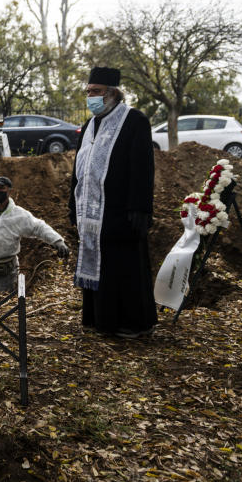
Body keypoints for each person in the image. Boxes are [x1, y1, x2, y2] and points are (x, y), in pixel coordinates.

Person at [68, 66, 157, 339]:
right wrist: (73, 207)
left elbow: (143, 169)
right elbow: (78, 170)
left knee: (123, 268)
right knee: (99, 267)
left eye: (95, 92)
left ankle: (132, 323)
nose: (90, 97)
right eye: (88, 92)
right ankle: (100, 320)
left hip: (120, 212)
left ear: (112, 93)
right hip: (92, 212)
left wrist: (139, 208)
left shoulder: (134, 121)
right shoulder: (89, 125)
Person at [0, 176, 69, 295]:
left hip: (6, 267)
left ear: (9, 191)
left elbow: (38, 227)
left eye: (1, 188)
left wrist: (57, 241)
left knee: (2, 300)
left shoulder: (19, 215)